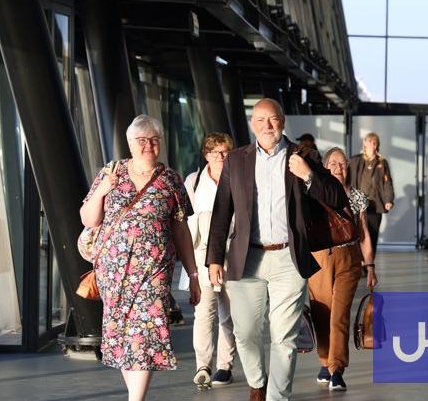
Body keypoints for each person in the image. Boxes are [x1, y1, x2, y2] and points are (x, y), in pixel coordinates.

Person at [207, 98, 346, 401]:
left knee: (284, 338)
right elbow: (221, 212)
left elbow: (337, 197)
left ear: (282, 121)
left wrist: (308, 175)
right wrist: (214, 258)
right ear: (252, 124)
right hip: (247, 258)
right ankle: (258, 382)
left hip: (288, 259)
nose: (267, 126)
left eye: (272, 119)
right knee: (245, 333)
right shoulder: (236, 160)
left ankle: (276, 397)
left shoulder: (304, 156)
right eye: (260, 120)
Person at [80, 114, 201, 401]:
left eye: (154, 140)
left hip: (155, 270)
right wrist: (102, 191)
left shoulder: (171, 179)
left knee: (146, 334)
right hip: (113, 271)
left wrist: (193, 274)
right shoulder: (111, 172)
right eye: (142, 140)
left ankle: (136, 399)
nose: (149, 145)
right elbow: (88, 218)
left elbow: (181, 229)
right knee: (123, 336)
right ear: (130, 143)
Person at [308, 147, 377, 391]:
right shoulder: (315, 194)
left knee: (340, 314)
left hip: (349, 257)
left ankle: (337, 368)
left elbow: (364, 234)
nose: (339, 168)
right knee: (321, 313)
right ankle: (324, 361)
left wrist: (370, 266)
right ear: (325, 168)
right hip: (319, 258)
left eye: (343, 164)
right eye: (334, 164)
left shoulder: (357, 196)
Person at [184, 133, 237, 388]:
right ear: (206, 155)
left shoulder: (238, 179)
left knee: (230, 313)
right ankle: (202, 365)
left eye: (226, 152)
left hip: (232, 252)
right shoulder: (193, 182)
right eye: (216, 152)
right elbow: (184, 220)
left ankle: (225, 366)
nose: (221, 157)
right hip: (201, 253)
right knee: (204, 311)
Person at [348, 132, 394, 254]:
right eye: (371, 143)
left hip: (375, 204)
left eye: (375, 143)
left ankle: (369, 261)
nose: (373, 146)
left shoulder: (382, 163)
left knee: (373, 233)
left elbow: (387, 182)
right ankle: (359, 259)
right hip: (358, 204)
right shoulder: (355, 160)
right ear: (365, 144)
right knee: (358, 233)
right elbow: (348, 179)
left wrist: (388, 199)